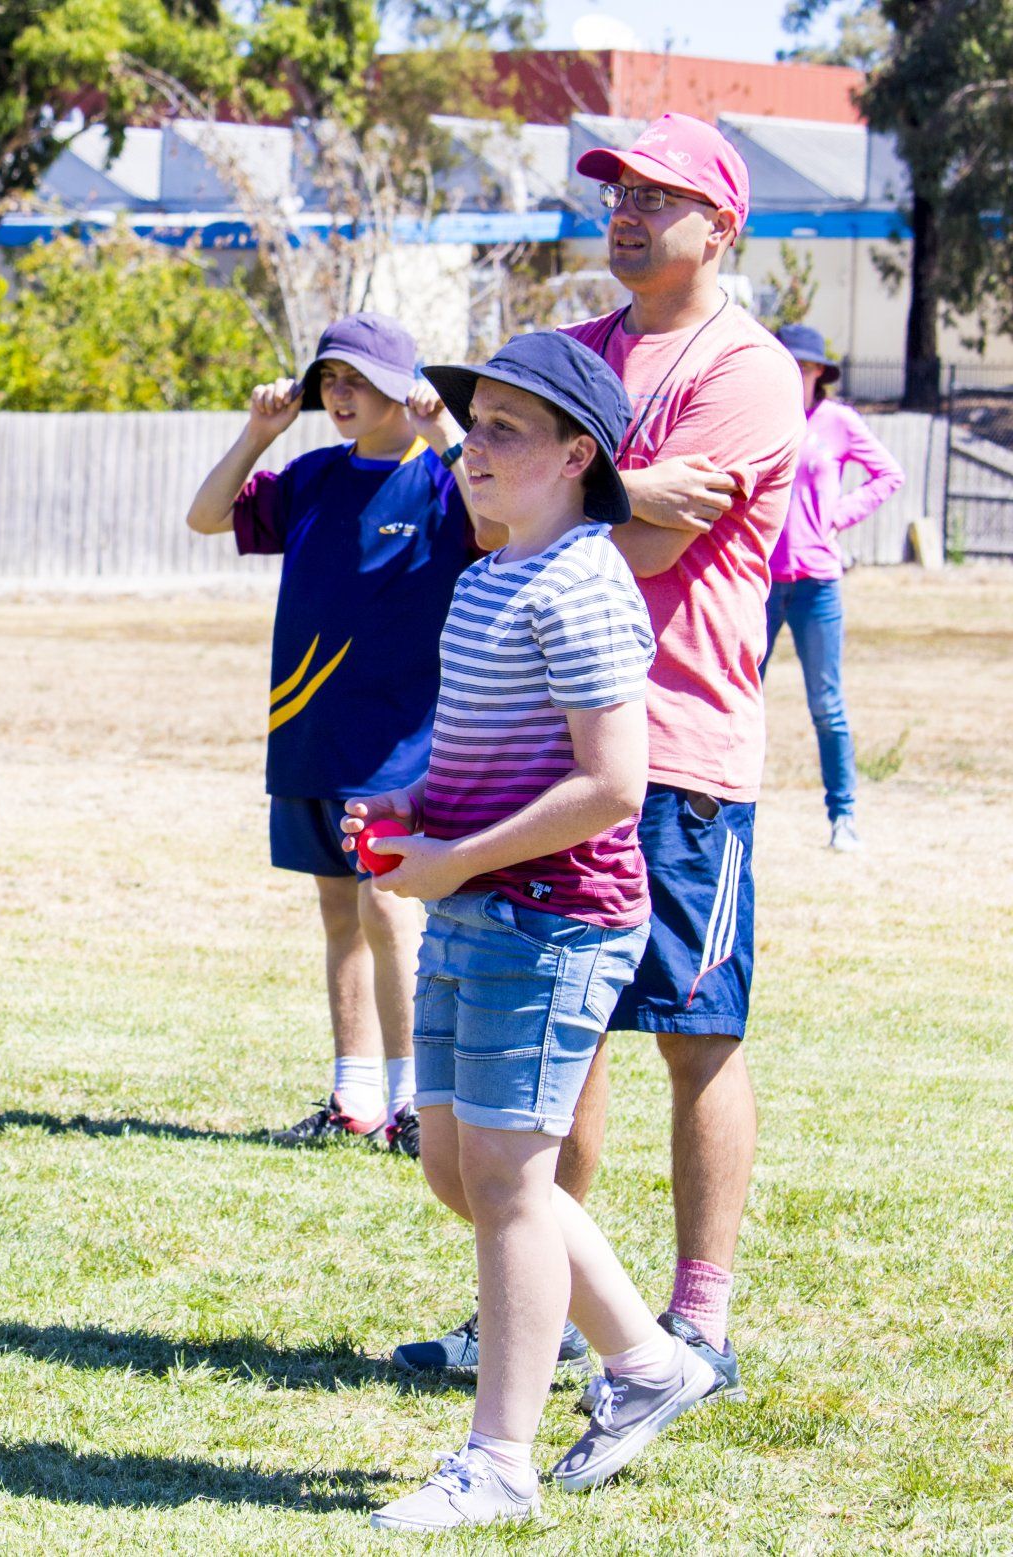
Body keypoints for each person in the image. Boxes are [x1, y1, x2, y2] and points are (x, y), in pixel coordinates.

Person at [393, 113, 804, 1404]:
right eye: (618, 189)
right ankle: (545, 1313)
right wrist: (604, 494)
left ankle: (699, 1316)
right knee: (559, 1051)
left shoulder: (746, 368)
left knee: (697, 1031)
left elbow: (648, 539)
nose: (628, 210)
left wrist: (576, 500)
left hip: (677, 750)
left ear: (722, 224)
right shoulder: (578, 354)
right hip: (537, 752)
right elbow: (537, 520)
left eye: (662, 194)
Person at [350, 332, 716, 1534]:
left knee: (509, 1178)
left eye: (507, 429)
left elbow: (615, 784)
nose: (473, 447)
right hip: (476, 904)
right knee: (457, 1169)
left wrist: (454, 858)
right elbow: (488, 758)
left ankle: (498, 1461)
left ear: (578, 456)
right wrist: (418, 808)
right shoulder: (491, 575)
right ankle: (653, 1367)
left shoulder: (585, 582)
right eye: (474, 424)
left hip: (549, 922)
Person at [184, 313, 487, 1156]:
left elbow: (495, 525)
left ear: (403, 384)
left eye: (357, 379)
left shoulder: (436, 480)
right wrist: (256, 433)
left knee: (390, 908)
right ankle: (354, 1097)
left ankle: (416, 1100)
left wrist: (447, 434)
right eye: (330, 381)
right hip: (308, 735)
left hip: (397, 743)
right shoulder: (313, 474)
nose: (340, 394)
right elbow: (207, 516)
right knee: (336, 911)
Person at [764, 322, 903, 852]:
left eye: (804, 366)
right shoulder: (762, 419)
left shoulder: (838, 421)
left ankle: (843, 815)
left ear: (819, 372)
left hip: (817, 582)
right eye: (788, 363)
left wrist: (836, 517)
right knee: (737, 698)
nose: (795, 373)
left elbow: (888, 476)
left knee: (826, 703)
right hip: (759, 581)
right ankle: (725, 812)